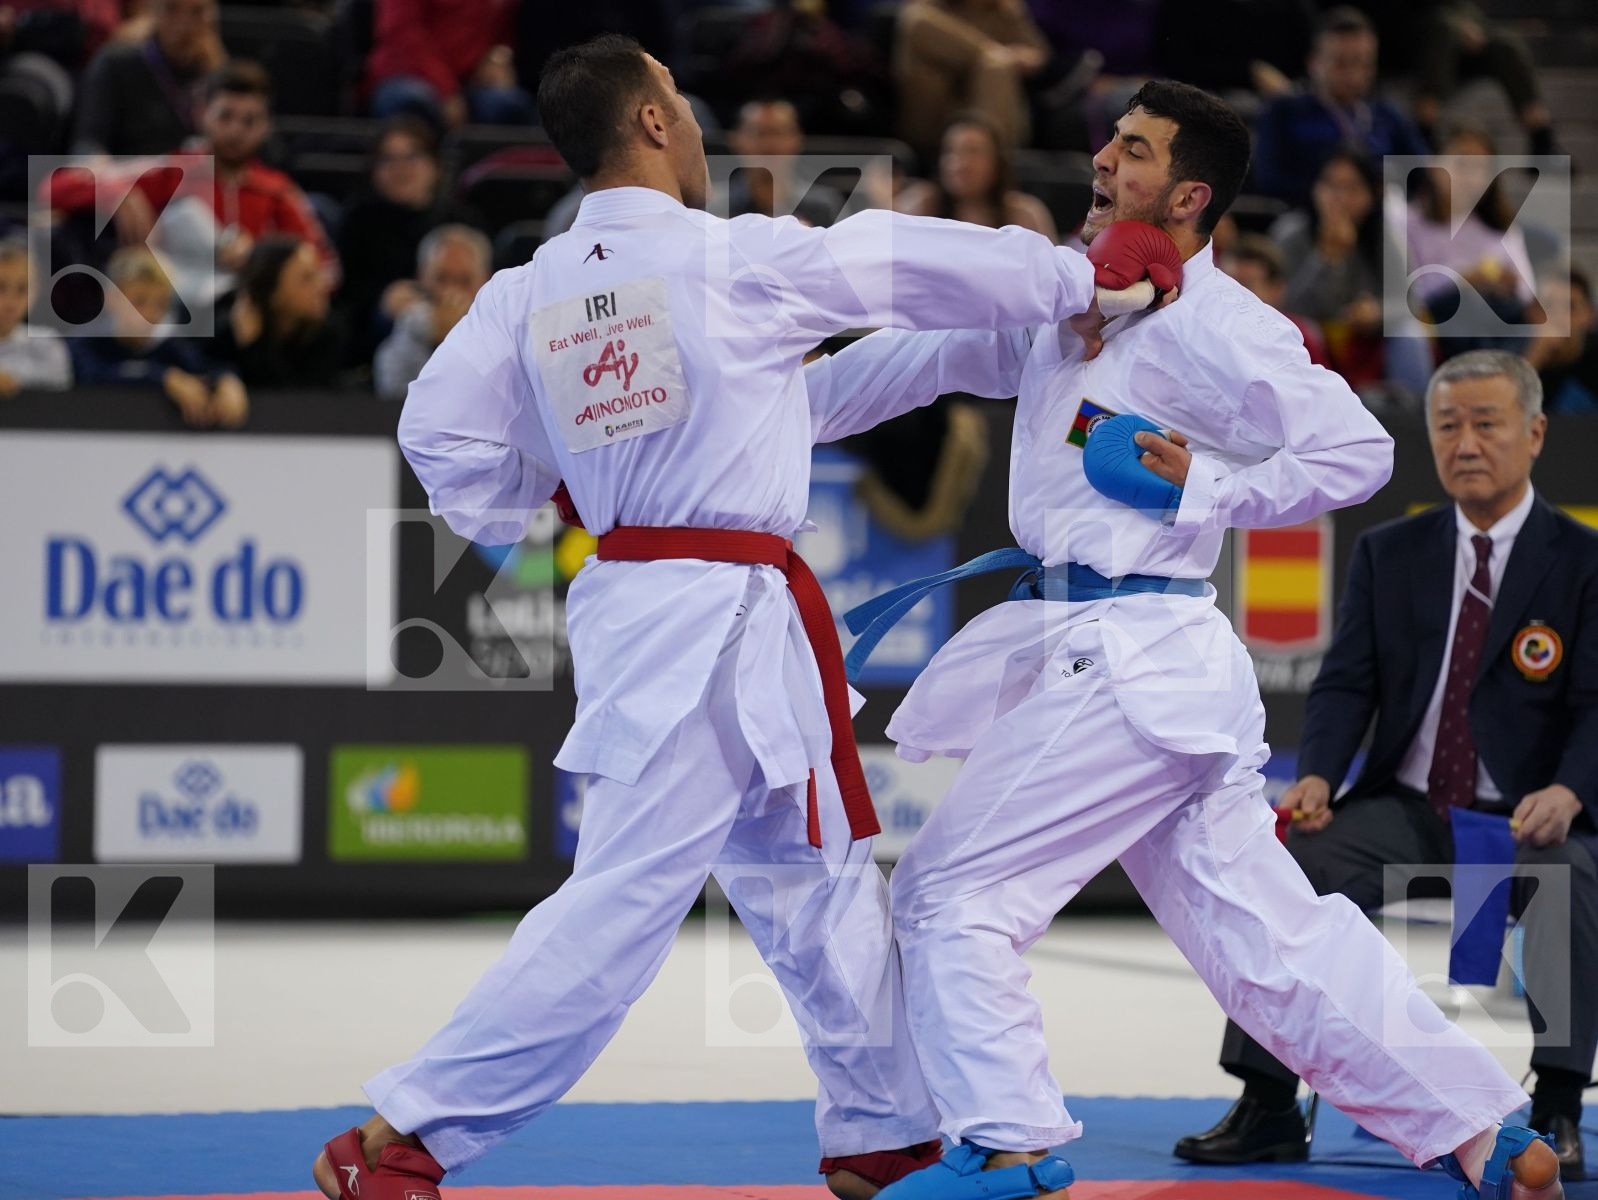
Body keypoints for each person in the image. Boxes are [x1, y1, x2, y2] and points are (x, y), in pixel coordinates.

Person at [306, 32, 1180, 1200]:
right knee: (624, 895)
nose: (695, 117)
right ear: (653, 121)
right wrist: (1080, 279)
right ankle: (414, 1130)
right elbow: (892, 256)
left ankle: (883, 1130)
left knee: (813, 878)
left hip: (680, 602)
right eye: (677, 96)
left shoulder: (531, 291)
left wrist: (556, 485)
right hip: (706, 614)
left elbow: (451, 438)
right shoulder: (732, 261)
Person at [838, 80, 1564, 1200]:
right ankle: (1481, 1125)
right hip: (1134, 665)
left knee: (949, 894)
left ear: (1185, 194)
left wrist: (1204, 486)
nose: (1099, 159)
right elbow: (915, 361)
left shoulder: (1221, 324)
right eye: (1107, 140)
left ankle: (1012, 1140)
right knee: (1266, 940)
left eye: (1129, 150)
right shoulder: (1073, 305)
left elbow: (1354, 451)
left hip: (1129, 654)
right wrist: (744, 407)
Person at [1173, 349, 1598, 1183]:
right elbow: (1346, 683)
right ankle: (1267, 1105)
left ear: (1536, 433)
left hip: (1524, 816)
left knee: (1570, 874)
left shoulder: (1583, 561)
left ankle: (1555, 1105)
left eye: (1486, 423)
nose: (1465, 442)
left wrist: (1571, 790)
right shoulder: (1389, 551)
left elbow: (1595, 705)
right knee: (1290, 858)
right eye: (1448, 425)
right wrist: (1321, 775)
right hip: (1407, 806)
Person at [44, 59, 339, 308]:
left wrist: (259, 263)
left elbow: (326, 267)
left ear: (266, 127)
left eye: (249, 121)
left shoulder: (277, 190)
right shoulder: (172, 171)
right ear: (202, 114)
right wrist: (118, 193)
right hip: (173, 311)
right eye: (225, 116)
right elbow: (54, 187)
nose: (236, 130)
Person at [1269, 150, 1431, 399]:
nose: (1339, 198)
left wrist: (1377, 312)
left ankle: (1415, 418)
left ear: (1371, 195)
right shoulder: (1290, 234)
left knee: (1409, 334)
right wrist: (1328, 258)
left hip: (1368, 341)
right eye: (1331, 186)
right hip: (1311, 339)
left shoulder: (1383, 236)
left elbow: (1410, 301)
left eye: (1352, 188)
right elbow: (1280, 304)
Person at [336, 116, 481, 365]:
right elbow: (344, 298)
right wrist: (382, 303)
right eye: (388, 159)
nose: (400, 168)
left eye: (412, 156)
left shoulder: (463, 220)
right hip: (380, 336)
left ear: (435, 165)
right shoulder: (356, 222)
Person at [1251, 6, 1428, 209]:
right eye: (1340, 64)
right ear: (1314, 63)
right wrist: (1333, 194)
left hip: (1381, 220)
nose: (1352, 75)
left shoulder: (1386, 114)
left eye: (1362, 63)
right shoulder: (1284, 111)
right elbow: (1270, 179)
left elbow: (1423, 172)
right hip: (1308, 217)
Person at [70, 246, 247, 426]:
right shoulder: (86, 343)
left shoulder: (168, 347)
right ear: (111, 298)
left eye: (160, 304)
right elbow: (93, 376)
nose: (150, 314)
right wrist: (164, 378)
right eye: (139, 301)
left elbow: (207, 366)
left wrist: (227, 380)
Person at [894, 0, 1051, 164]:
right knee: (996, 64)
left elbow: (1038, 55)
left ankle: (988, 164)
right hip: (932, 118)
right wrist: (994, 54)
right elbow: (917, 26)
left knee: (995, 70)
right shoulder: (924, 12)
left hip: (991, 113)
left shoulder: (1004, 11)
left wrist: (1003, 59)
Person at [71, 0, 223, 157]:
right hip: (130, 175)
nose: (185, 22)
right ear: (151, 11)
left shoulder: (217, 73)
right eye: (171, 8)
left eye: (198, 12)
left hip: (194, 176)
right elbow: (88, 143)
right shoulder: (116, 64)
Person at [364, 0, 532, 129]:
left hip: (468, 82)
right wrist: (447, 90)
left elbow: (503, 23)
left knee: (509, 105)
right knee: (411, 101)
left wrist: (499, 56)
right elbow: (401, 33)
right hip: (405, 74)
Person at [373, 224, 490, 401]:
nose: (452, 292)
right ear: (422, 279)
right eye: (441, 279)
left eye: (464, 281)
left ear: (486, 280)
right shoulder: (409, 325)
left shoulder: (503, 329)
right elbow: (394, 394)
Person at [895, 114, 1057, 240]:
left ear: (997, 161)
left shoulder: (1026, 214)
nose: (960, 163)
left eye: (972, 151)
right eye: (950, 151)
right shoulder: (920, 205)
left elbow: (1051, 276)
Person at [216, 235, 343, 388]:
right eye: (307, 278)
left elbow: (302, 403)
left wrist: (254, 347)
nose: (323, 285)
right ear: (273, 294)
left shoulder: (328, 331)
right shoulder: (223, 327)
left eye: (319, 273)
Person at [725, 98, 846, 226]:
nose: (769, 144)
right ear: (735, 139)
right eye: (758, 133)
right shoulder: (714, 207)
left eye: (778, 132)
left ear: (797, 139)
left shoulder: (825, 205)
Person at [1221, 233, 1327, 367]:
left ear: (1276, 290)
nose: (1235, 295)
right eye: (1227, 285)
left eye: (1246, 286)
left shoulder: (1301, 337)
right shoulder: (1208, 334)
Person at [0, 236, 72, 393]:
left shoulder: (46, 342)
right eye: (1, 287)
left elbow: (59, 379)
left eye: (22, 289)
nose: (10, 300)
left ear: (35, 292)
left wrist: (12, 378)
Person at [1525, 271, 1598, 414]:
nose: (1558, 317)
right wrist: (1534, 358)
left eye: (1570, 307)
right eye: (1548, 306)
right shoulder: (1509, 359)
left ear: (1590, 315)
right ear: (1532, 313)